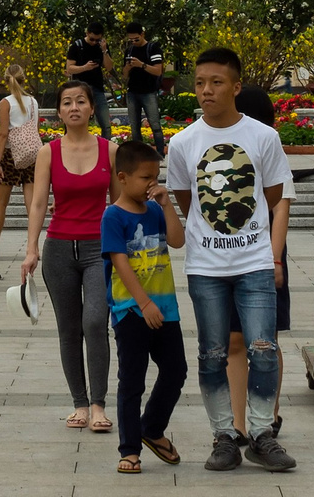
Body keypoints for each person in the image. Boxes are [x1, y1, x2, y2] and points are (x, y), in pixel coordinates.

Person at [166, 48, 295, 473]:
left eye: (216, 82)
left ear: (236, 87)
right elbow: (189, 202)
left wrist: (273, 257)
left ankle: (261, 435)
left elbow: (275, 199)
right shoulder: (182, 143)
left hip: (254, 263)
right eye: (200, 82)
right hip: (206, 269)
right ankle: (223, 437)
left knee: (264, 349)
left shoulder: (263, 137)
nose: (206, 90)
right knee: (211, 354)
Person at [19, 79, 112, 432]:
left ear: (91, 108)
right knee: (69, 330)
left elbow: (118, 205)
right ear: (58, 112)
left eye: (81, 101)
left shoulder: (110, 150)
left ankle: (99, 403)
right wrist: (31, 250)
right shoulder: (49, 152)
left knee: (94, 323)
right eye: (67, 103)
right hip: (59, 249)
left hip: (98, 250)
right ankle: (79, 403)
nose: (74, 107)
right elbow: (39, 202)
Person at [104, 138, 187, 474]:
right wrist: (144, 303)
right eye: (145, 178)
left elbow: (178, 241)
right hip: (132, 311)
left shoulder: (155, 210)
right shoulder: (113, 215)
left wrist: (167, 205)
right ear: (122, 177)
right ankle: (130, 449)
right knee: (132, 381)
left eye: (156, 176)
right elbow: (119, 262)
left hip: (165, 309)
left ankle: (151, 427)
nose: (152, 183)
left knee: (176, 371)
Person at [225, 84, 294, 448]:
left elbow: (282, 204)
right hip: (228, 253)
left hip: (266, 252)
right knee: (234, 340)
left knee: (266, 340)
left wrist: (275, 257)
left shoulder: (268, 147)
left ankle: (268, 416)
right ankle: (238, 424)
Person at [0, 64, 41, 258]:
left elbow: (3, 134)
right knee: (32, 204)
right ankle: (33, 247)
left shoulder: (6, 102)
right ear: (23, 79)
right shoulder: (34, 102)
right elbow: (34, 129)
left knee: (1, 203)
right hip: (31, 154)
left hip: (11, 156)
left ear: (5, 81)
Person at [121, 24, 167, 146]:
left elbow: (158, 71)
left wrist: (142, 65)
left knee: (155, 125)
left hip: (149, 91)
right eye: (131, 40)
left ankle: (160, 153)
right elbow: (124, 76)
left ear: (142, 34)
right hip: (132, 92)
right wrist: (127, 67)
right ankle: (138, 157)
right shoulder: (129, 51)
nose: (134, 42)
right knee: (134, 127)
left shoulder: (153, 49)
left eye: (136, 39)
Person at [66, 22, 112, 139]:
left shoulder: (101, 47)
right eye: (92, 39)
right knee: (76, 123)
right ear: (87, 33)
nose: (94, 42)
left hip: (97, 88)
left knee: (106, 125)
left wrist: (104, 51)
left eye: (97, 40)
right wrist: (84, 67)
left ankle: (105, 152)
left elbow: (109, 67)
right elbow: (69, 68)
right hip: (80, 89)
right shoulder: (77, 46)